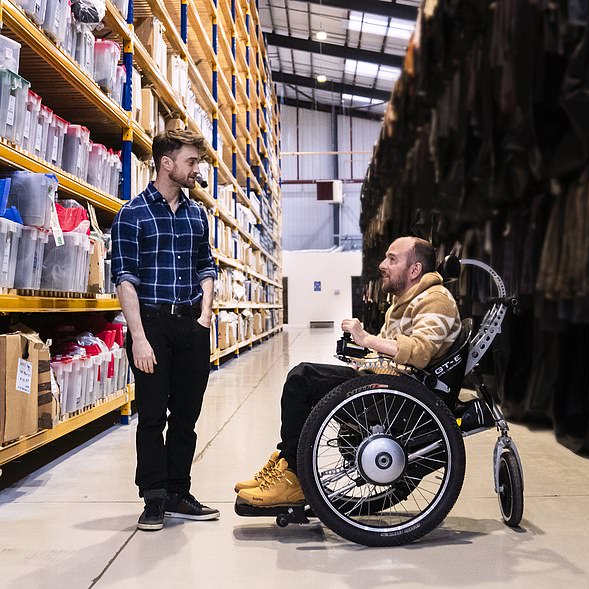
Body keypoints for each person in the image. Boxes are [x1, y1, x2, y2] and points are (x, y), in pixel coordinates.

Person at [235, 236, 466, 507]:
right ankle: (286, 463)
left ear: (415, 270)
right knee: (305, 377)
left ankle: (293, 477)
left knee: (302, 379)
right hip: (388, 387)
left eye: (392, 259)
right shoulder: (406, 301)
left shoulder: (435, 299)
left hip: (400, 399)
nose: (382, 265)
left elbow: (421, 351)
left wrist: (367, 339)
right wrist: (362, 356)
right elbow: (388, 351)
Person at [111, 129, 220, 531]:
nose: (197, 170)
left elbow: (206, 266)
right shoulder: (132, 214)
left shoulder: (197, 214)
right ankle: (154, 497)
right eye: (191, 162)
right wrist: (138, 336)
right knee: (153, 416)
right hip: (152, 326)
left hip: (192, 324)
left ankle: (179, 491)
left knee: (187, 416)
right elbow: (125, 279)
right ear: (166, 163)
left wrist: (205, 314)